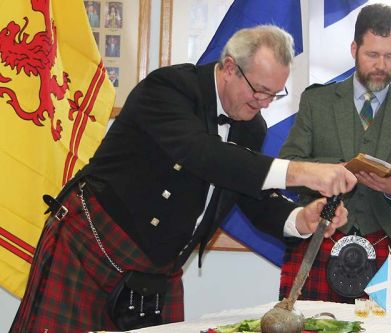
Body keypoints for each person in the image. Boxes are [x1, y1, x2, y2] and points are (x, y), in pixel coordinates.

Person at [10, 25, 357, 332]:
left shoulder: (251, 127)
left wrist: (302, 218)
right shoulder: (169, 89)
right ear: (230, 68)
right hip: (91, 245)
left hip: (158, 272)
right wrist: (302, 171)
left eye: (274, 94)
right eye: (259, 90)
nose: (264, 103)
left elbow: (252, 196)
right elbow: (202, 154)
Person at [279, 4, 391, 307]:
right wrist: (331, 173)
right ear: (354, 49)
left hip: (386, 243)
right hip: (322, 235)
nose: (381, 65)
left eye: (390, 56)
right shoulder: (317, 101)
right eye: (372, 55)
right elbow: (290, 167)